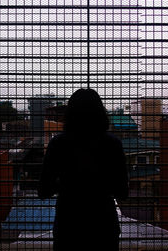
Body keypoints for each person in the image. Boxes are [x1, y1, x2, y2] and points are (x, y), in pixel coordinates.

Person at [38, 88, 129, 251]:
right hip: (103, 225)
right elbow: (122, 191)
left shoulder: (58, 144)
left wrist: (66, 183)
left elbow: (43, 190)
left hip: (69, 224)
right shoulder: (112, 145)